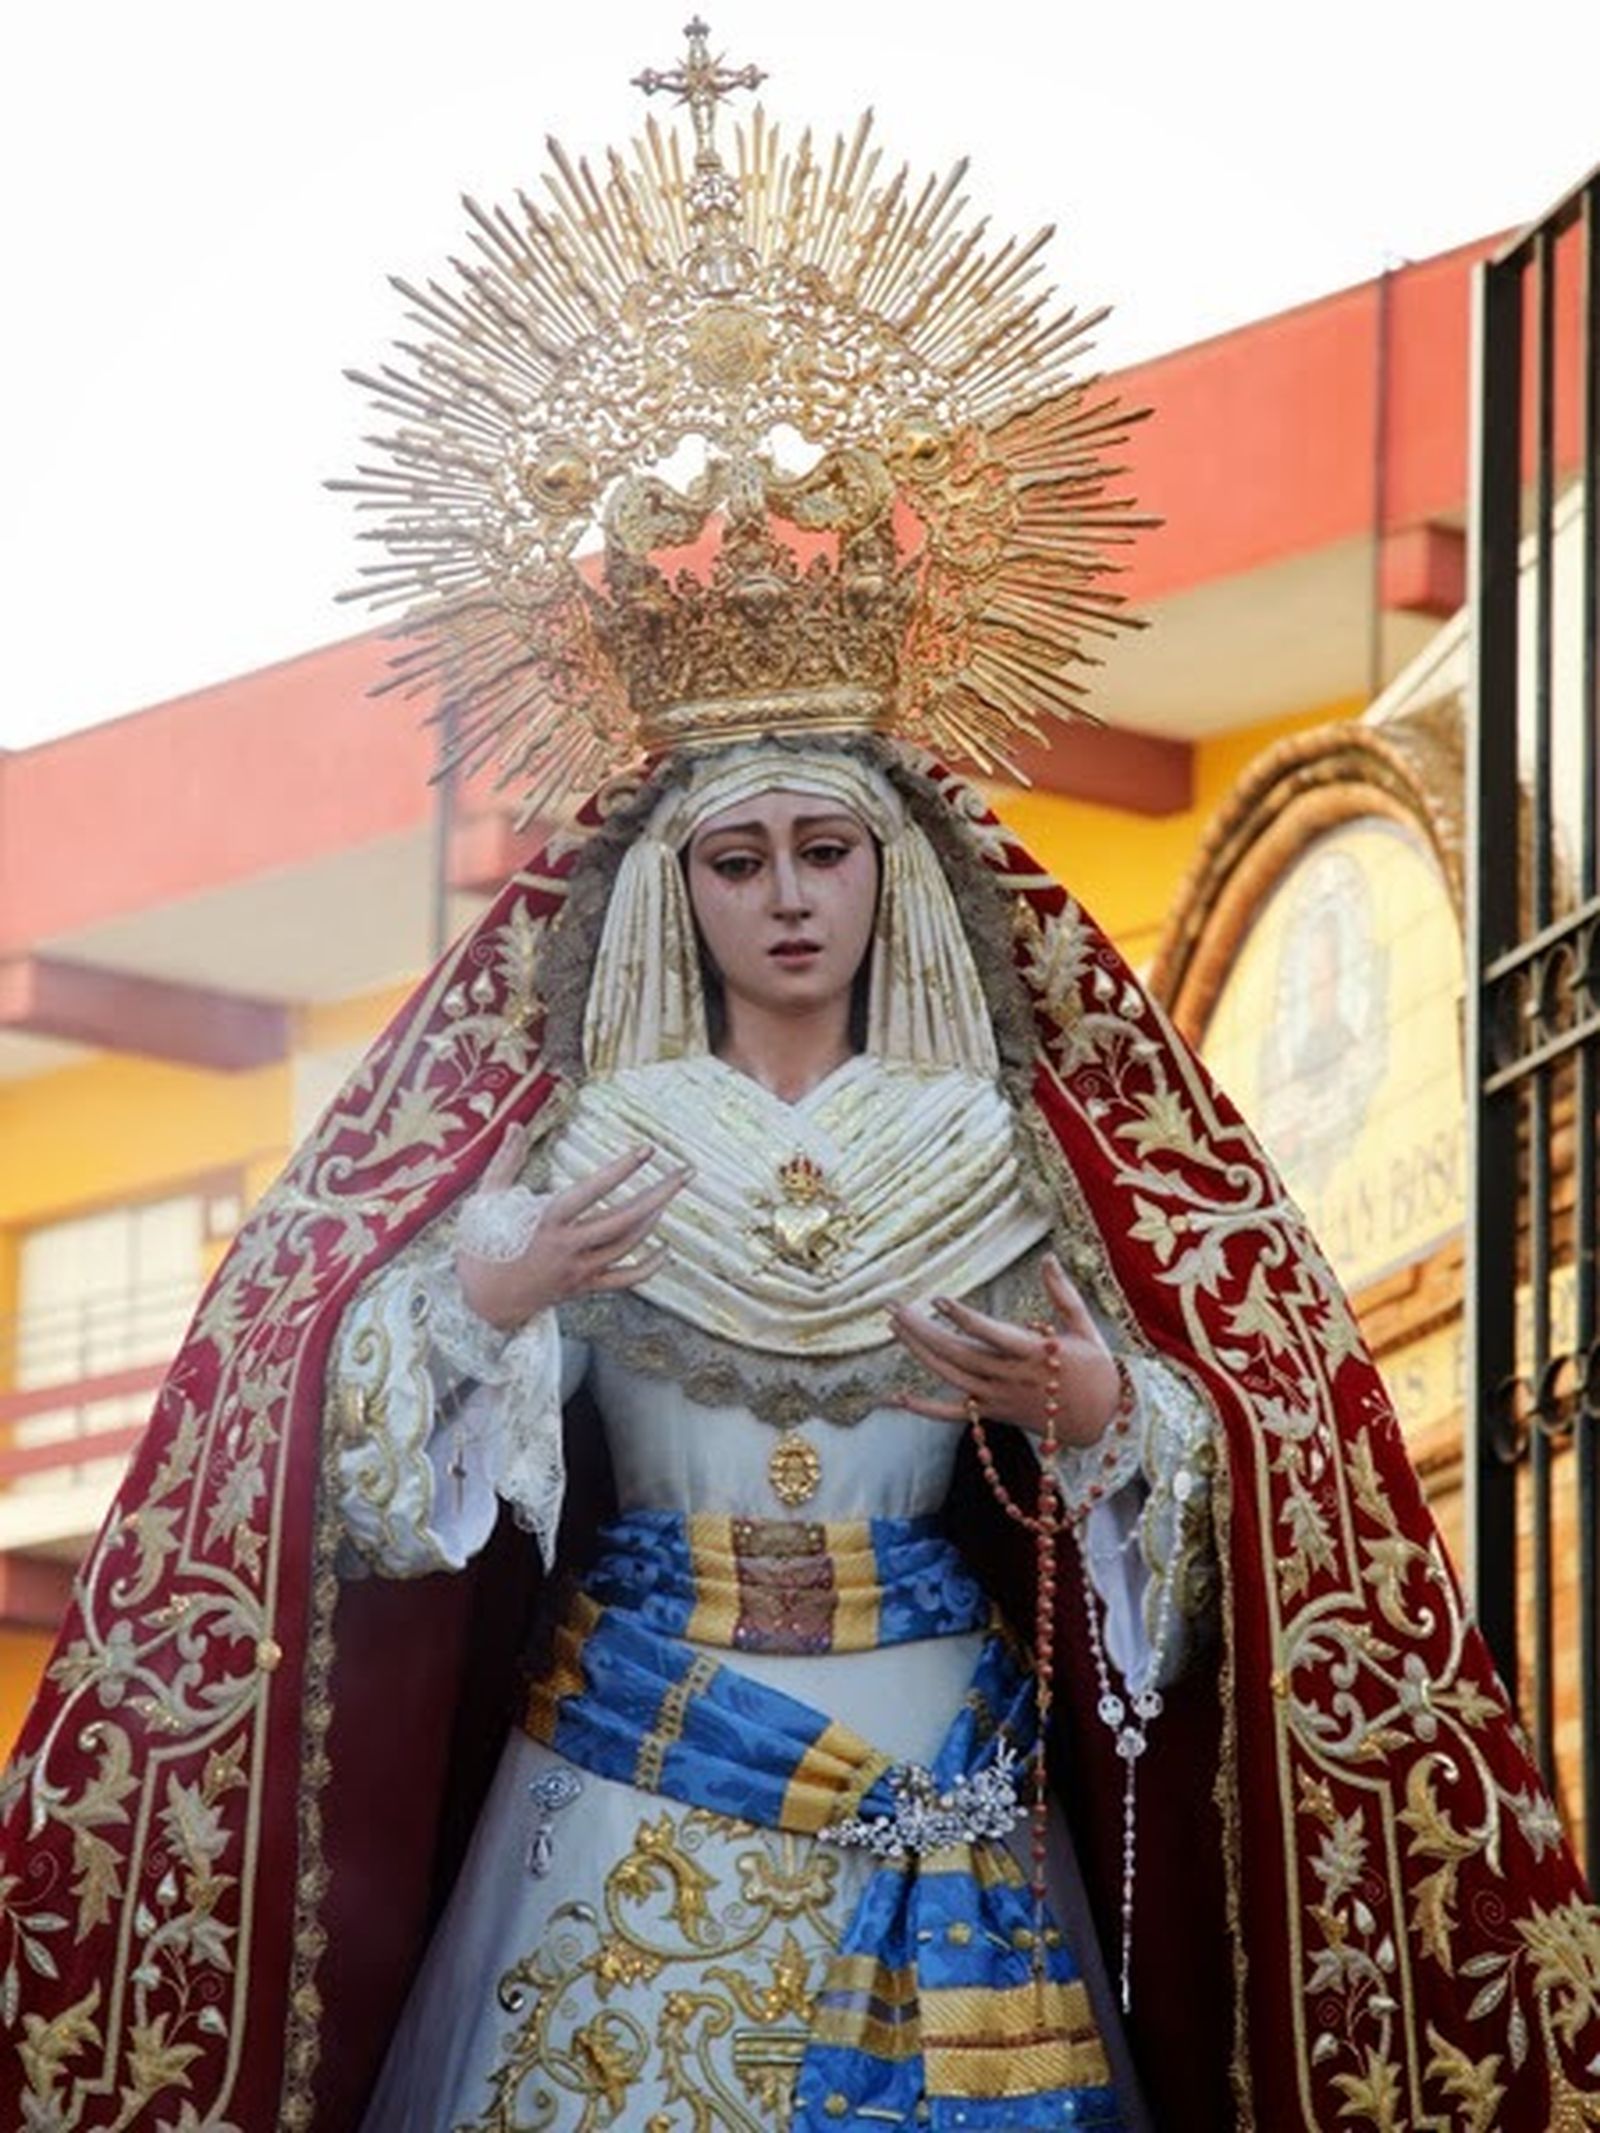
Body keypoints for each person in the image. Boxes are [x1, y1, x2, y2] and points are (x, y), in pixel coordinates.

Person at [4, 25, 1597, 2132]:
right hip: (626, 1746)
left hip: (935, 1740)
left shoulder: (1013, 1149)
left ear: (896, 876)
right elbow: (341, 1465)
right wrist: (478, 1299)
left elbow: (1244, 1476)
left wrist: (1106, 1411)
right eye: (735, 859)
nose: (783, 899)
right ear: (669, 889)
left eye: (824, 853)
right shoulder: (564, 1140)